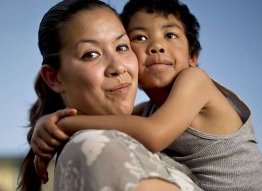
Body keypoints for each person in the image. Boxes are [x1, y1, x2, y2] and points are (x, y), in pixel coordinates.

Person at [31, 0, 262, 190]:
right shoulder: (148, 112)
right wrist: (46, 124)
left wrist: (66, 124)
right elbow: (111, 123)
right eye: (139, 38)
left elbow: (153, 134)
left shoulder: (196, 81)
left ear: (193, 56)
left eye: (170, 35)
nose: (157, 46)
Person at [17, 0, 203, 190]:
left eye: (122, 47)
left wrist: (62, 123)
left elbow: (151, 130)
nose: (118, 67)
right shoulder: (95, 146)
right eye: (90, 54)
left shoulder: (140, 124)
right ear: (54, 78)